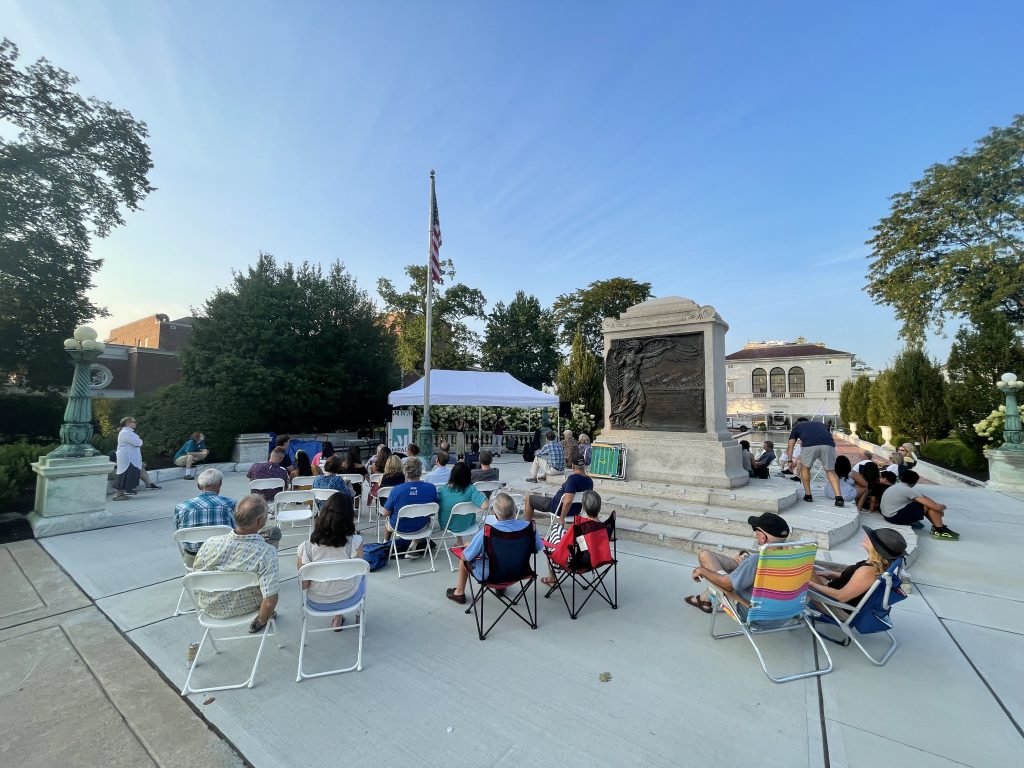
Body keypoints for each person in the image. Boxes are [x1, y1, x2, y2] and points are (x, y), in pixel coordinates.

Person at [191, 494, 280, 632]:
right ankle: (261, 621)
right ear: (260, 520)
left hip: (210, 608)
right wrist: (260, 620)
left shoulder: (210, 542)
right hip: (248, 608)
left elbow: (196, 575)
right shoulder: (267, 552)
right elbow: (269, 602)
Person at [444, 491, 544, 605]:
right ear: (515, 510)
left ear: (495, 515)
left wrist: (469, 546)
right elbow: (538, 548)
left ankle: (459, 593)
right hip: (520, 572)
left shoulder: (487, 533)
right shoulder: (529, 528)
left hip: (491, 576)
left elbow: (466, 556)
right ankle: (500, 589)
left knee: (465, 556)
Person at [684, 512, 791, 614]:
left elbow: (727, 585)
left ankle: (704, 598)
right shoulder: (795, 560)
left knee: (704, 556)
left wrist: (701, 571)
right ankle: (704, 598)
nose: (755, 532)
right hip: (784, 614)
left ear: (763, 537)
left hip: (750, 611)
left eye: (755, 529)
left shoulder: (756, 562)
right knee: (713, 557)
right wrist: (744, 564)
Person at [296, 492, 364, 629]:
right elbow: (358, 572)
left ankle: (337, 618)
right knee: (362, 574)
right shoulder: (355, 542)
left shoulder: (305, 547)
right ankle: (358, 614)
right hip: (348, 598)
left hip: (317, 602)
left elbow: (303, 585)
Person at [810, 526, 907, 610]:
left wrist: (809, 584)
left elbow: (841, 596)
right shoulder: (875, 563)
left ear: (878, 549)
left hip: (834, 605)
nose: (867, 537)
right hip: (832, 592)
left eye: (871, 539)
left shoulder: (867, 571)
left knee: (802, 568)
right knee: (806, 567)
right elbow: (856, 580)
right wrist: (831, 573)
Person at [173, 468, 236, 567]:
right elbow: (237, 530)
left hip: (193, 560)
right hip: (224, 557)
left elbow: (179, 533)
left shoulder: (181, 508)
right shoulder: (229, 503)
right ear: (220, 484)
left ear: (198, 486)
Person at [543, 490, 603, 585]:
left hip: (575, 562)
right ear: (599, 508)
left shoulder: (579, 527)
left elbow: (570, 545)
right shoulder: (604, 528)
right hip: (597, 560)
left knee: (550, 536)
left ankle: (551, 578)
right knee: (560, 531)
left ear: (584, 507)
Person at [879, 470, 959, 540]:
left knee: (924, 504)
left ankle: (937, 525)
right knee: (928, 506)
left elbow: (923, 497)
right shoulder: (907, 490)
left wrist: (936, 510)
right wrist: (943, 507)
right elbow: (937, 508)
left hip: (887, 515)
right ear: (915, 482)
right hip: (894, 518)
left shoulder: (898, 486)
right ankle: (939, 529)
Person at [524, 454, 593, 529]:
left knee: (529, 499)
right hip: (576, 510)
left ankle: (526, 529)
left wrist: (561, 519)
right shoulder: (590, 481)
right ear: (584, 466)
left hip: (556, 507)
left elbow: (568, 501)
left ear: (573, 466)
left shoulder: (572, 479)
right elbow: (588, 499)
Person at [786, 418, 843, 506]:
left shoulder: (797, 426)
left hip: (809, 445)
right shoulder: (820, 424)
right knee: (830, 470)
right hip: (828, 445)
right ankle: (839, 498)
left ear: (798, 422)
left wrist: (790, 460)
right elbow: (828, 436)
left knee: (805, 468)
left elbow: (790, 445)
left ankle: (808, 495)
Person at [382, 457, 439, 544]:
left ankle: (385, 543)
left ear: (405, 472)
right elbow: (433, 512)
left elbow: (385, 513)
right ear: (420, 472)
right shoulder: (431, 488)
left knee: (388, 521)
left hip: (399, 527)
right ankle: (414, 544)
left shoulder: (396, 490)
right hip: (421, 527)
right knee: (424, 518)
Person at [437, 462, 488, 543]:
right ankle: (464, 541)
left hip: (446, 525)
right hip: (466, 525)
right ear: (468, 476)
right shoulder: (471, 489)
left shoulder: (441, 490)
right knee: (463, 514)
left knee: (454, 511)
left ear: (452, 475)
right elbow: (485, 506)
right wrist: (472, 508)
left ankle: (459, 539)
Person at [113, 416, 145, 500]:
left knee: (126, 476)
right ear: (128, 423)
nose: (135, 423)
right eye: (134, 422)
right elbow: (138, 443)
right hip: (127, 459)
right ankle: (118, 494)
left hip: (128, 458)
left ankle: (120, 494)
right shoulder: (126, 433)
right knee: (124, 476)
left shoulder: (127, 432)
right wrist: (140, 440)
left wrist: (139, 440)